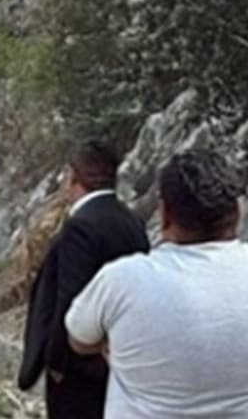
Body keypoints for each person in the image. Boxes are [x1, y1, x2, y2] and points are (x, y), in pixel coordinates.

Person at [65, 148, 248, 418]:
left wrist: (121, 342)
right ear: (238, 210)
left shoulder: (123, 280)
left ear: (164, 215)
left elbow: (79, 338)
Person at [19, 140, 149, 418]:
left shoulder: (81, 226)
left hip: (78, 369)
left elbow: (69, 299)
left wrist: (56, 363)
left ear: (72, 176)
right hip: (118, 361)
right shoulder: (133, 222)